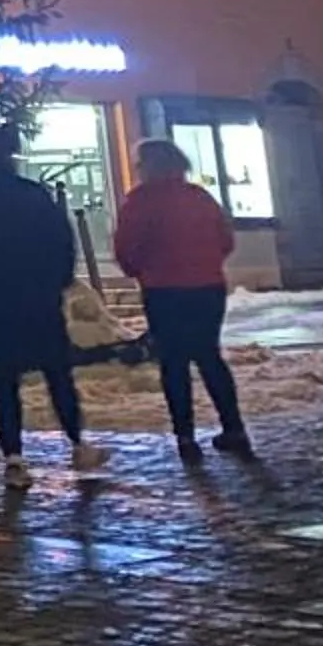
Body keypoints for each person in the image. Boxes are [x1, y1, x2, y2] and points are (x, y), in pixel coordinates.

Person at [0, 124, 107, 488]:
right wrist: (56, 280)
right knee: (57, 373)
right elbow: (61, 240)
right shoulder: (31, 195)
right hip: (38, 295)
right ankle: (77, 443)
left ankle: (13, 457)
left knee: (4, 379)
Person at [113, 138, 254, 461]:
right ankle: (234, 428)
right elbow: (225, 240)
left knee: (173, 362)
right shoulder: (200, 197)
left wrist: (140, 270)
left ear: (146, 166)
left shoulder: (140, 201)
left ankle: (186, 437)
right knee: (209, 356)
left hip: (164, 289)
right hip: (207, 287)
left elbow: (127, 247)